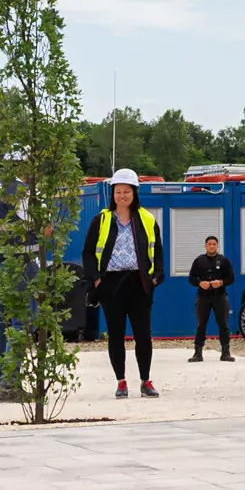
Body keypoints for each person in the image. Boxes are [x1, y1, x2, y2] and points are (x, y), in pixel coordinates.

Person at [82, 168, 164, 399]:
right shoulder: (102, 219)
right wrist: (96, 280)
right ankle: (121, 382)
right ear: (113, 194)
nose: (122, 196)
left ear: (134, 193)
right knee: (116, 335)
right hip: (111, 284)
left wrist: (156, 277)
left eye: (127, 191)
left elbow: (157, 251)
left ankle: (145, 381)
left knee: (143, 335)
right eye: (118, 191)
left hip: (139, 283)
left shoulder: (147, 219)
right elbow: (88, 252)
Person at [0, 167, 36, 403]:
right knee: (21, 323)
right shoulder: (23, 192)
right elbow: (43, 227)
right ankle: (10, 386)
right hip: (17, 265)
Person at [188, 235, 235, 364]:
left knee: (223, 324)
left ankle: (225, 352)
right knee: (201, 324)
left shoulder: (224, 261)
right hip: (203, 297)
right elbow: (191, 278)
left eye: (214, 244)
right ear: (205, 246)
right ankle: (198, 353)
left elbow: (231, 278)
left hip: (219, 296)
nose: (212, 246)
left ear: (217, 246)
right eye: (210, 244)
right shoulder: (199, 261)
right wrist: (199, 283)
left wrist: (220, 282)